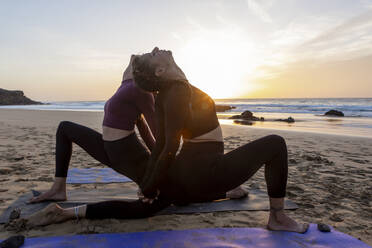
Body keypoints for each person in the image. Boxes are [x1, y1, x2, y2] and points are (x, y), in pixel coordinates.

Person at [16, 47, 307, 234]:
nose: (156, 48)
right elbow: (167, 145)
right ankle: (277, 217)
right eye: (155, 54)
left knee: (156, 203)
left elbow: (160, 144)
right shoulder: (175, 93)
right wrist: (150, 184)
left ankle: (69, 213)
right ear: (160, 71)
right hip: (203, 170)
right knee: (275, 144)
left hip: (196, 171)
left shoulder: (174, 89)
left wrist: (151, 184)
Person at [29, 55, 156, 203]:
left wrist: (155, 171)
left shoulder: (143, 92)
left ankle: (152, 184)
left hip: (127, 153)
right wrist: (141, 58)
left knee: (157, 189)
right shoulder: (127, 83)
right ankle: (58, 189)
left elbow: (155, 135)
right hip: (110, 149)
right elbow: (133, 58)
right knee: (64, 128)